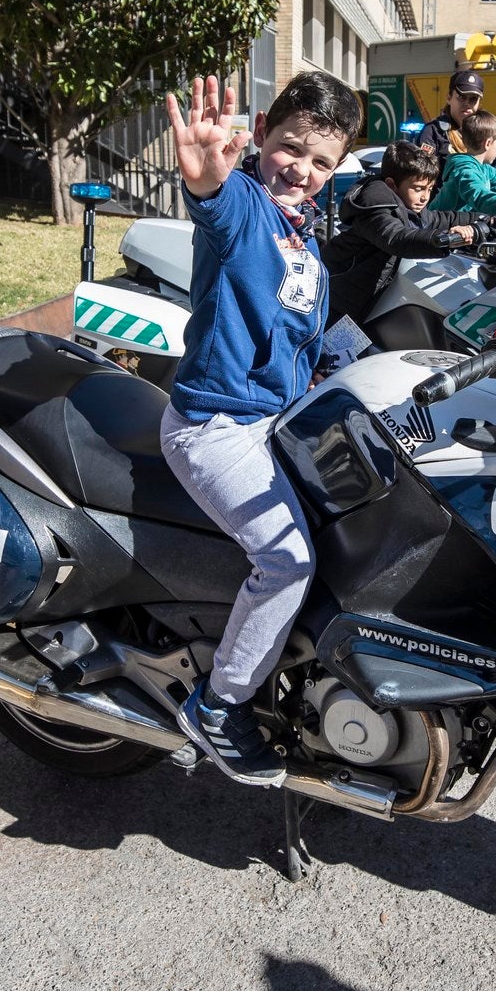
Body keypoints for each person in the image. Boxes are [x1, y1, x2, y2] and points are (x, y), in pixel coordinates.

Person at [160, 71, 362, 786]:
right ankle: (218, 705)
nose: (300, 170)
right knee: (288, 561)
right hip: (213, 426)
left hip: (272, 422)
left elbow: (312, 334)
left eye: (321, 162)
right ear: (264, 134)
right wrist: (210, 174)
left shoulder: (302, 234)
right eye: (289, 147)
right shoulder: (244, 203)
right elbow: (216, 203)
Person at [323, 141, 481, 331]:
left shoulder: (410, 206)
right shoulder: (374, 210)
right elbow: (397, 239)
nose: (425, 197)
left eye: (430, 189)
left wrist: (487, 219)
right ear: (392, 185)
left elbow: (440, 218)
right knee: (330, 357)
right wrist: (444, 239)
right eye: (418, 188)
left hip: (370, 300)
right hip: (340, 301)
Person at [428, 110, 496, 214]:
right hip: (441, 226)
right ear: (488, 143)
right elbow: (480, 197)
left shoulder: (485, 169)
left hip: (461, 224)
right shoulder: (465, 171)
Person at [415, 70, 485, 164]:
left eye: (473, 99)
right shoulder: (433, 131)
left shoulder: (484, 132)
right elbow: (422, 171)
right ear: (449, 98)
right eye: (462, 97)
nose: (467, 103)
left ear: (479, 103)